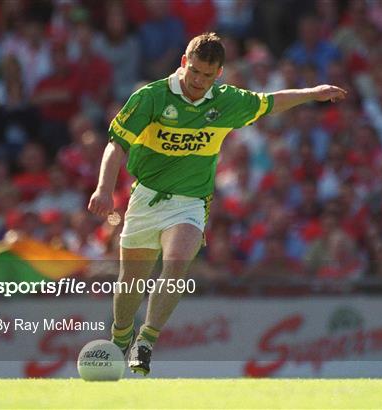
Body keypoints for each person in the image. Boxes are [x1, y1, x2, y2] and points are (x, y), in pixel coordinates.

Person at [87, 32, 346, 376]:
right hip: (145, 197)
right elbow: (115, 145)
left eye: (207, 75)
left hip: (190, 201)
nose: (198, 81)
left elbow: (270, 102)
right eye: (194, 71)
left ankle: (145, 341)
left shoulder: (226, 102)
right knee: (131, 283)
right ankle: (121, 336)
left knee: (177, 262)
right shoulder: (150, 97)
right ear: (183, 63)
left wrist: (312, 94)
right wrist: (105, 188)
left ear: (219, 74)